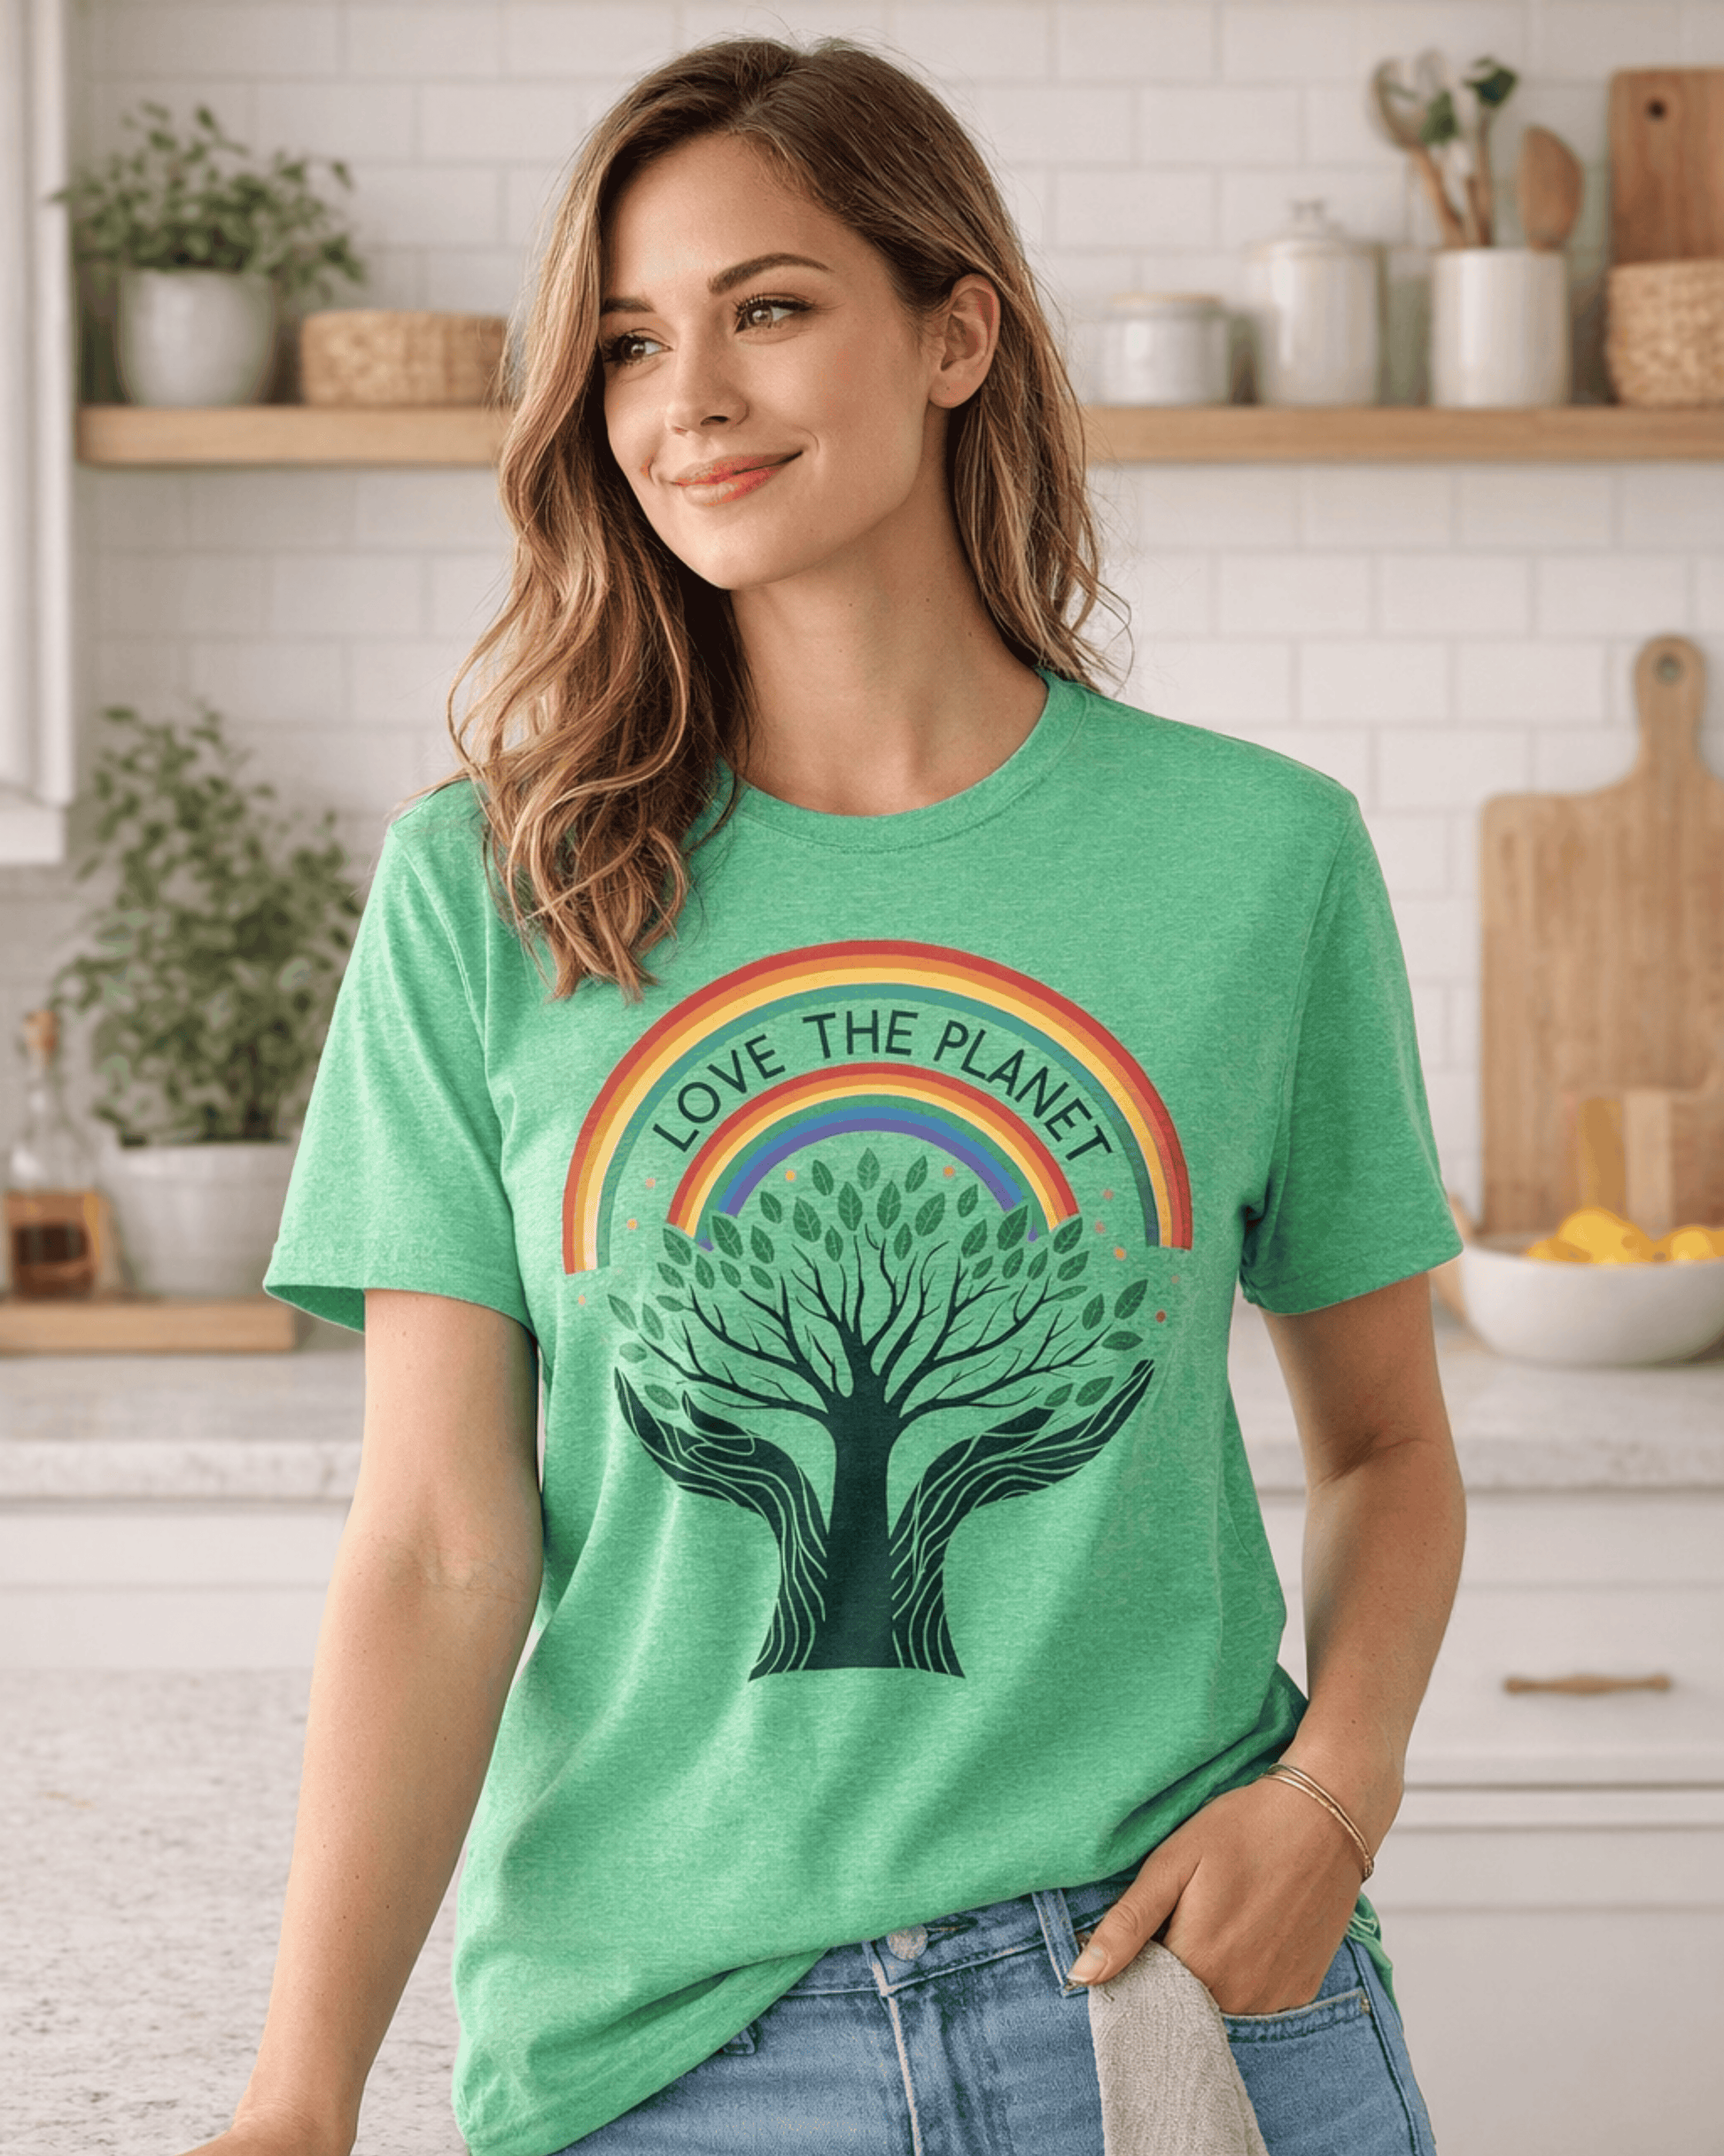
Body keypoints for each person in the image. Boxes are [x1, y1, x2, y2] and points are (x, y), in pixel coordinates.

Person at [198, 34, 1464, 2156]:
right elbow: (433, 1545)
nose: (685, 397)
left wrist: (1331, 1799)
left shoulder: (1259, 862)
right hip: (672, 2051)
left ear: (954, 330)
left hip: (1160, 1983)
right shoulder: (488, 891)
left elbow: (1390, 1446)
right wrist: (300, 2092)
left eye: (764, 308)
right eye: (625, 343)